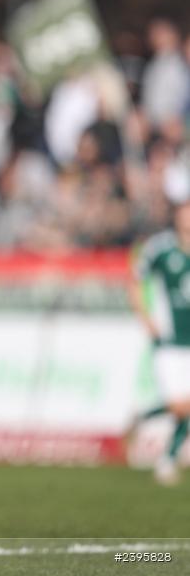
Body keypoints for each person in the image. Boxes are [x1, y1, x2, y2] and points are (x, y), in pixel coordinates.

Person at [128, 200, 190, 485]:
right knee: (180, 406)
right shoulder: (161, 248)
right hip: (169, 340)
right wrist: (145, 317)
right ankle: (144, 417)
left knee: (187, 405)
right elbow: (135, 279)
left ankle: (166, 461)